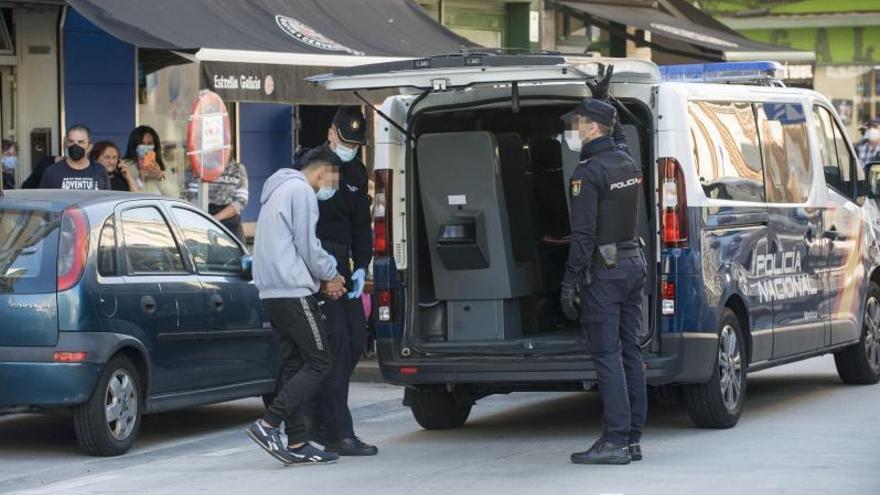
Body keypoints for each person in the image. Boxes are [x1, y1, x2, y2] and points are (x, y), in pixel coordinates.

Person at [559, 67, 647, 465]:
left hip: (605, 274)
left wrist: (569, 281)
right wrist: (607, 100)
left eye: (578, 125)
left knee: (607, 356)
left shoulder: (587, 173)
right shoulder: (626, 162)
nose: (573, 132)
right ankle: (631, 440)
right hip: (632, 266)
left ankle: (613, 441)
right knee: (630, 353)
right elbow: (622, 137)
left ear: (592, 129)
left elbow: (583, 237)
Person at [246, 150, 346, 467]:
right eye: (333, 179)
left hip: (272, 291)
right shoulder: (301, 191)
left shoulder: (276, 190)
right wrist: (332, 275)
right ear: (322, 173)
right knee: (319, 361)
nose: (331, 187)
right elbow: (308, 245)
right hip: (292, 291)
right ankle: (268, 424)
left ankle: (299, 441)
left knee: (294, 364)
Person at [296, 107, 376, 457]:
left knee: (356, 337)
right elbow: (309, 227)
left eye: (356, 144)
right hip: (319, 262)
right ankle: (335, 431)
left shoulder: (355, 169)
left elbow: (361, 224)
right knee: (335, 344)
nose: (350, 148)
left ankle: (324, 423)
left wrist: (362, 266)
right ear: (331, 135)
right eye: (346, 141)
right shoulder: (317, 165)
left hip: (343, 260)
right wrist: (327, 274)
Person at [185, 155, 249, 241]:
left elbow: (241, 201)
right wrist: (205, 218)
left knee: (237, 253)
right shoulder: (196, 167)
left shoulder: (237, 169)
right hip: (201, 217)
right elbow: (191, 196)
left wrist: (215, 219)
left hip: (230, 219)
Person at [39, 125, 109, 190]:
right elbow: (44, 201)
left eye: (80, 142)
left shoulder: (100, 171)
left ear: (89, 147)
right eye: (71, 141)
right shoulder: (52, 172)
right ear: (66, 144)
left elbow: (107, 200)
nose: (75, 146)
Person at [121, 126, 179, 197]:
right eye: (141, 143)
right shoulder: (125, 167)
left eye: (149, 144)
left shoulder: (163, 165)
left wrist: (160, 177)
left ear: (155, 145)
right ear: (134, 145)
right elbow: (125, 197)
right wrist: (140, 179)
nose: (146, 147)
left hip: (157, 207)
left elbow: (175, 196)